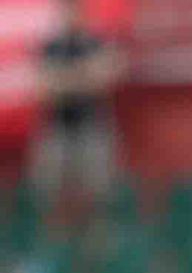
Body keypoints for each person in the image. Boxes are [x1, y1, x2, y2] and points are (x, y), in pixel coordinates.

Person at [30, 0, 123, 219]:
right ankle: (54, 244)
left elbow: (105, 79)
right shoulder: (51, 47)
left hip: (92, 127)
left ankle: (97, 244)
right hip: (57, 128)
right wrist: (84, 75)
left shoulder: (97, 43)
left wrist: (62, 78)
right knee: (46, 192)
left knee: (100, 194)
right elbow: (43, 88)